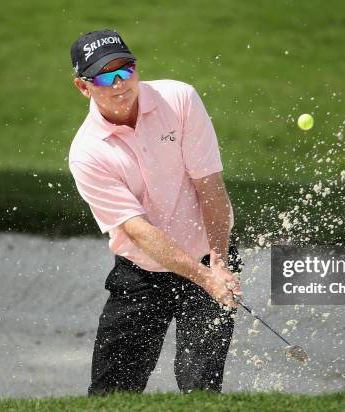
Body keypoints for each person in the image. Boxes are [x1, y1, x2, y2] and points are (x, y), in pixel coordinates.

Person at [68, 29, 243, 395]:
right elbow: (139, 231)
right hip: (142, 272)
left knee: (200, 388)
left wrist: (219, 263)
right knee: (111, 394)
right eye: (104, 76)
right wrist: (206, 277)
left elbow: (210, 187)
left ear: (136, 68)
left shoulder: (179, 99)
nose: (118, 84)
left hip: (208, 256)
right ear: (84, 87)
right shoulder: (87, 153)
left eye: (125, 70)